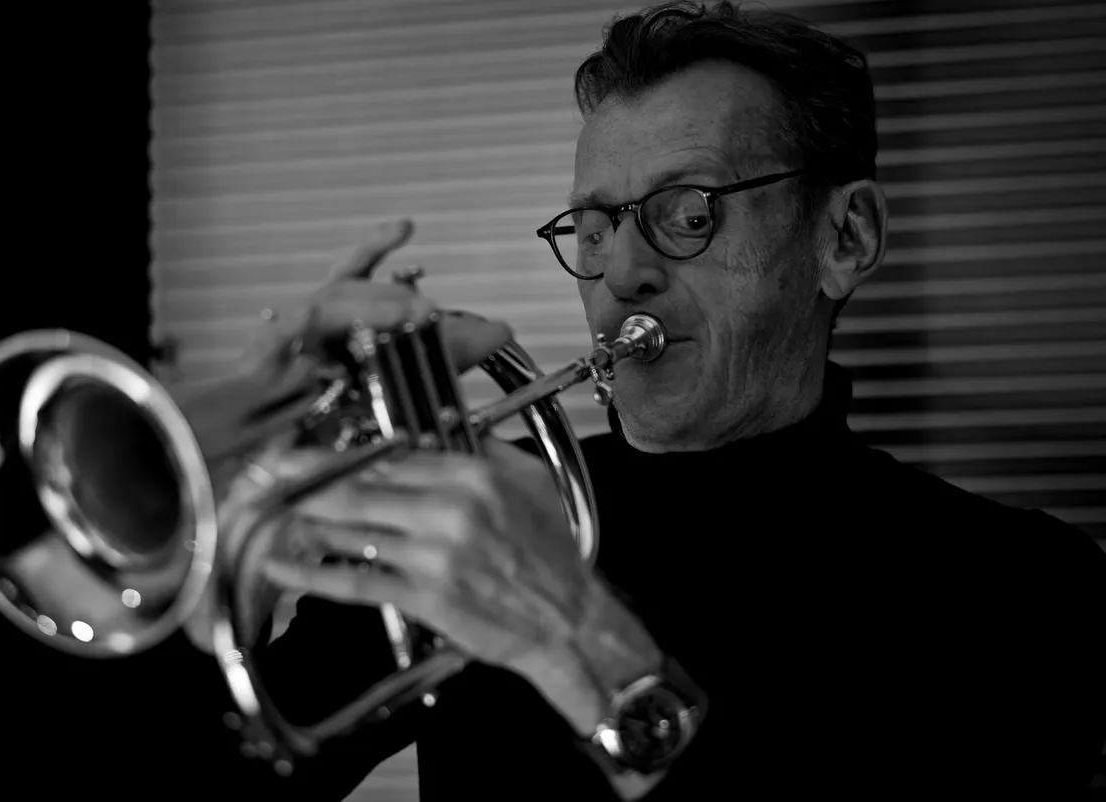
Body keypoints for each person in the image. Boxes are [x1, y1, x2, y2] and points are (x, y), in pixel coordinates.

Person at [203, 2, 1106, 798]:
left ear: (846, 236)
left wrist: (576, 642)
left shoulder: (1025, 588)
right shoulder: (482, 511)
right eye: (597, 227)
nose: (623, 274)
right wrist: (213, 553)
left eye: (689, 212)